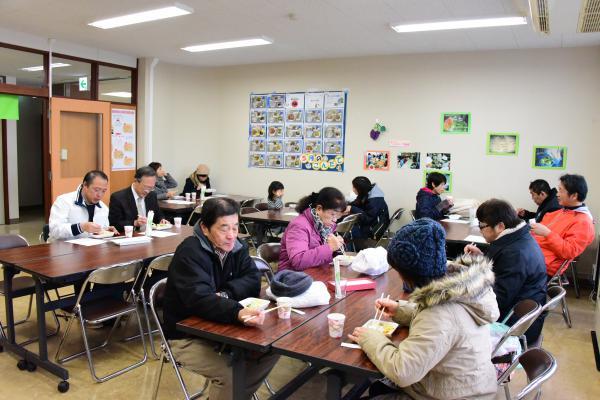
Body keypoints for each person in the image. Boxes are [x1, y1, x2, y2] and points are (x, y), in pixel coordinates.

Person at [349, 218, 499, 399]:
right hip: (468, 386)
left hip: (453, 394)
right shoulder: (462, 289)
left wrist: (371, 339)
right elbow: (448, 324)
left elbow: (402, 371)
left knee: (377, 390)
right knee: (378, 389)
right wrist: (400, 309)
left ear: (408, 274)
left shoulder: (439, 313)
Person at [163, 197, 279, 400]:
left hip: (220, 325)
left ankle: (232, 395)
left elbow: (253, 279)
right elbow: (199, 299)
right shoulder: (190, 252)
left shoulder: (237, 246)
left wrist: (226, 294)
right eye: (224, 228)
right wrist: (235, 310)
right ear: (205, 228)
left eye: (235, 227)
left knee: (272, 349)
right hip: (186, 334)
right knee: (230, 376)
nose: (231, 235)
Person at [464, 199, 547, 344]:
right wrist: (482, 258)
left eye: (482, 226)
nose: (480, 229)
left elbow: (497, 300)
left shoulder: (515, 254)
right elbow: (502, 271)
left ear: (500, 226)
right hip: (516, 313)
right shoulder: (518, 238)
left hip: (514, 327)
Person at [531, 174, 595, 278]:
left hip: (543, 266)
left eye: (561, 190)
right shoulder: (562, 211)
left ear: (574, 196)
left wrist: (547, 233)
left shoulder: (583, 222)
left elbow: (569, 252)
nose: (557, 194)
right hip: (534, 255)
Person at [278, 187, 346, 271]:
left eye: (337, 216)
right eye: (332, 214)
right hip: (292, 276)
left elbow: (325, 256)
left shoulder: (324, 226)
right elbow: (298, 261)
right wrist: (330, 247)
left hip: (316, 271)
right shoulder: (299, 226)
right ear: (319, 209)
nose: (335, 220)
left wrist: (337, 248)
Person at [49, 170, 118, 241]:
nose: (99, 195)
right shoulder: (64, 201)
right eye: (96, 190)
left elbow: (99, 231)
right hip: (63, 249)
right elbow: (54, 230)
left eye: (103, 191)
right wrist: (81, 227)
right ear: (85, 185)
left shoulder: (103, 207)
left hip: (92, 248)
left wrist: (105, 230)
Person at [108, 166, 168, 233]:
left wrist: (162, 220)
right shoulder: (118, 198)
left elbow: (158, 215)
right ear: (136, 181)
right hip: (129, 237)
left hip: (150, 235)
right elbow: (114, 224)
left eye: (151, 188)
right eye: (146, 187)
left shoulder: (152, 195)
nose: (147, 191)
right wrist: (135, 223)